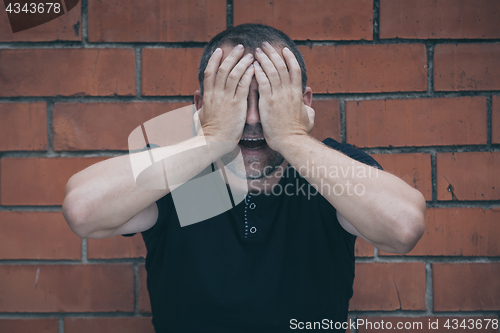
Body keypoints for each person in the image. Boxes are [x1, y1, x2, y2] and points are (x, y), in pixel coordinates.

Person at [62, 24, 426, 333]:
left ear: (304, 103)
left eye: (269, 98)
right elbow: (82, 209)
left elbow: (404, 227)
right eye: (235, 99)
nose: (252, 117)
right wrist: (210, 140)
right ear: (203, 105)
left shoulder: (331, 171)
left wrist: (292, 138)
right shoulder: (174, 171)